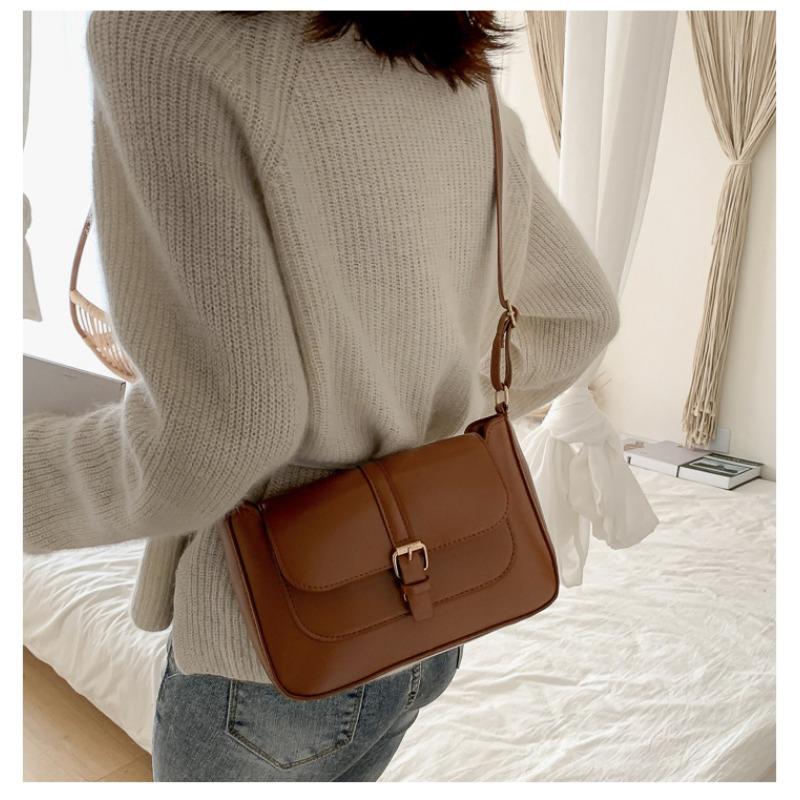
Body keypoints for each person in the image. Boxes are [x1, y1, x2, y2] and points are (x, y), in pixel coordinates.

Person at [22, 10, 620, 781]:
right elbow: (580, 317)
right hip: (429, 630)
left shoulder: (168, 33)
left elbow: (221, 434)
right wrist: (425, 419)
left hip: (274, 654)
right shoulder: (448, 61)